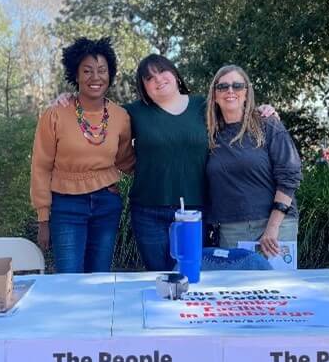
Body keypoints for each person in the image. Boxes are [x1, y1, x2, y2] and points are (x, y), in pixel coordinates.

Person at [51, 53, 277, 271]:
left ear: (176, 75)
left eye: (162, 72)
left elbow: (235, 109)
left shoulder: (204, 106)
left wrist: (261, 110)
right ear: (144, 87)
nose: (157, 79)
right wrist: (70, 99)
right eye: (149, 78)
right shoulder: (133, 113)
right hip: (148, 213)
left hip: (194, 212)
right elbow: (96, 112)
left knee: (191, 276)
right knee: (160, 278)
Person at [30, 37, 135, 273]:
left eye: (101, 70)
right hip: (66, 205)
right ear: (75, 75)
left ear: (110, 74)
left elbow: (127, 160)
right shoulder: (55, 114)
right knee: (68, 279)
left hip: (107, 203)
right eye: (87, 71)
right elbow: (40, 166)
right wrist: (43, 218)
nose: (95, 77)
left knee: (100, 277)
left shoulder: (120, 116)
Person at [205, 64, 301, 257]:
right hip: (231, 229)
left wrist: (272, 227)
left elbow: (289, 176)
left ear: (247, 93)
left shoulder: (268, 125)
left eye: (237, 86)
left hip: (276, 226)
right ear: (214, 95)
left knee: (278, 287)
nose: (230, 91)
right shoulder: (208, 133)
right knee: (235, 287)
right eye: (222, 86)